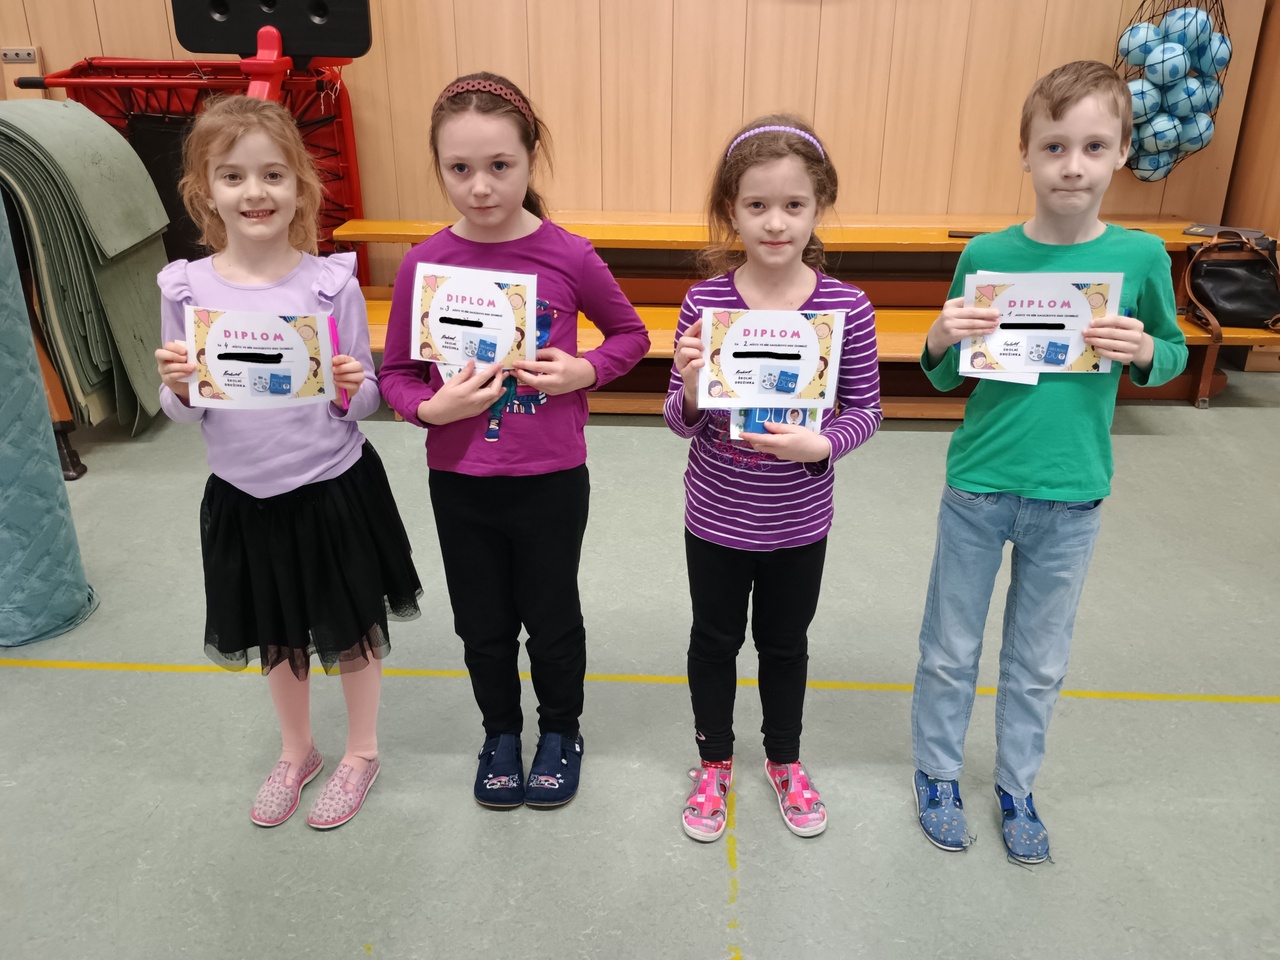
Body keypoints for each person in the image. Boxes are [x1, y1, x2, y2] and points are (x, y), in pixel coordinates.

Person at [910, 61, 1187, 863]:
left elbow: (1171, 352)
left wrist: (1146, 350)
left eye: (1094, 146)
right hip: (979, 484)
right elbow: (947, 374)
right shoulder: (987, 255)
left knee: (1037, 661)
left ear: (1123, 152)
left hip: (1072, 492)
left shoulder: (1140, 258)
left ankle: (1017, 786)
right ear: (1025, 154)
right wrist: (938, 339)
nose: (1073, 165)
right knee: (950, 648)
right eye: (1055, 146)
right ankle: (937, 773)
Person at [378, 73, 649, 810]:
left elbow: (630, 336)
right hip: (460, 480)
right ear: (439, 168)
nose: (480, 187)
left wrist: (584, 370)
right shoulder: (424, 264)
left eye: (500, 165)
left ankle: (560, 731)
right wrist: (429, 409)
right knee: (482, 625)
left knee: (552, 620)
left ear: (532, 158)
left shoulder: (570, 255)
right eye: (459, 168)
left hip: (550, 477)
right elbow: (396, 373)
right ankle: (500, 732)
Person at [154, 95, 422, 830]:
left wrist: (348, 387)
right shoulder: (186, 289)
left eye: (273, 175)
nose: (255, 192)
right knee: (276, 631)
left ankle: (361, 751)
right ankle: (296, 749)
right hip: (244, 494)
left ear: (301, 186)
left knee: (351, 627)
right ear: (204, 190)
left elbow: (365, 397)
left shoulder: (329, 284)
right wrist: (181, 387)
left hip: (330, 486)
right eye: (233, 176)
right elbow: (183, 410)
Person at [666, 115, 882, 842]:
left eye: (794, 204)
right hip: (716, 516)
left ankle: (784, 760)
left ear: (820, 206)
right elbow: (679, 420)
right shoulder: (706, 303)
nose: (776, 222)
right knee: (714, 640)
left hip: (798, 520)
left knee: (785, 646)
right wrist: (691, 388)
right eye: (757, 205)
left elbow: (867, 410)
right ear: (731, 210)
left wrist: (822, 445)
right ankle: (714, 762)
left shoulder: (846, 307)